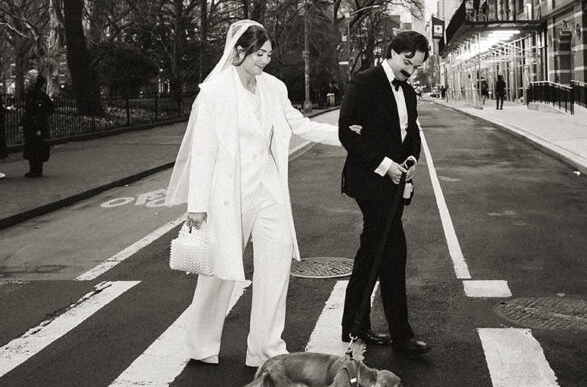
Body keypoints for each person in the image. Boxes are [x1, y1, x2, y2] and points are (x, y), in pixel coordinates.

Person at [165, 20, 341, 368]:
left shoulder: (274, 88)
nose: (265, 60)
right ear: (239, 50)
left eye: (268, 54)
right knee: (217, 273)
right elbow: (203, 150)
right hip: (229, 195)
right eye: (259, 53)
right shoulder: (215, 92)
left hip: (269, 191)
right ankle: (201, 343)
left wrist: (349, 136)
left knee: (276, 266)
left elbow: (300, 125)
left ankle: (265, 349)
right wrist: (197, 204)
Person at [339, 30, 431, 357]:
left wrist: (409, 160)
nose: (410, 70)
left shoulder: (407, 91)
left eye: (416, 66)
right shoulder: (364, 82)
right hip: (369, 181)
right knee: (393, 252)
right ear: (392, 51)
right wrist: (384, 164)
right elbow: (347, 133)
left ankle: (354, 322)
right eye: (407, 62)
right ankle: (402, 336)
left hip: (394, 183)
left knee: (371, 251)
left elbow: (411, 133)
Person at [22, 71, 55, 178]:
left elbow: (47, 109)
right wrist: (22, 123)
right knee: (31, 148)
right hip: (31, 126)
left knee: (37, 148)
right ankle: (33, 169)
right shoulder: (31, 95)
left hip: (37, 127)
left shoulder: (40, 95)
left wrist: (40, 125)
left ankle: (37, 170)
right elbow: (28, 112)